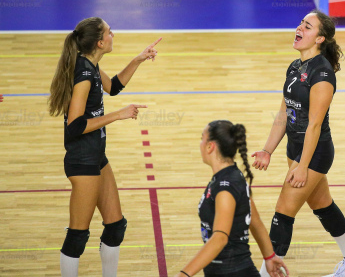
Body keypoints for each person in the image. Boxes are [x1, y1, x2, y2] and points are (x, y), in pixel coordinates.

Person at [251, 10, 345, 277]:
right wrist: (268, 150)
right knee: (322, 205)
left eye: (308, 26)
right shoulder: (294, 67)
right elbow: (284, 114)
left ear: (320, 38)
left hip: (314, 154)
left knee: (283, 212)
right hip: (295, 151)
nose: (299, 28)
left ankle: (268, 273)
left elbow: (314, 125)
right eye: (301, 23)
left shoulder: (323, 75)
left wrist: (303, 165)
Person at [48, 17, 161, 277]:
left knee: (115, 226)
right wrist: (116, 115)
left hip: (97, 157)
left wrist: (139, 59)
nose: (114, 34)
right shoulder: (85, 74)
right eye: (110, 32)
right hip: (82, 161)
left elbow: (115, 87)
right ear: (100, 42)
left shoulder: (91, 65)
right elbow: (74, 125)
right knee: (78, 235)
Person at [175, 120, 289, 277]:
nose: (200, 143)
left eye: (202, 138)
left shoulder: (225, 187)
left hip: (233, 272)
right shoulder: (233, 176)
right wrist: (269, 257)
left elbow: (220, 238)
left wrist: (183, 274)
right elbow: (255, 221)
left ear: (210, 146)